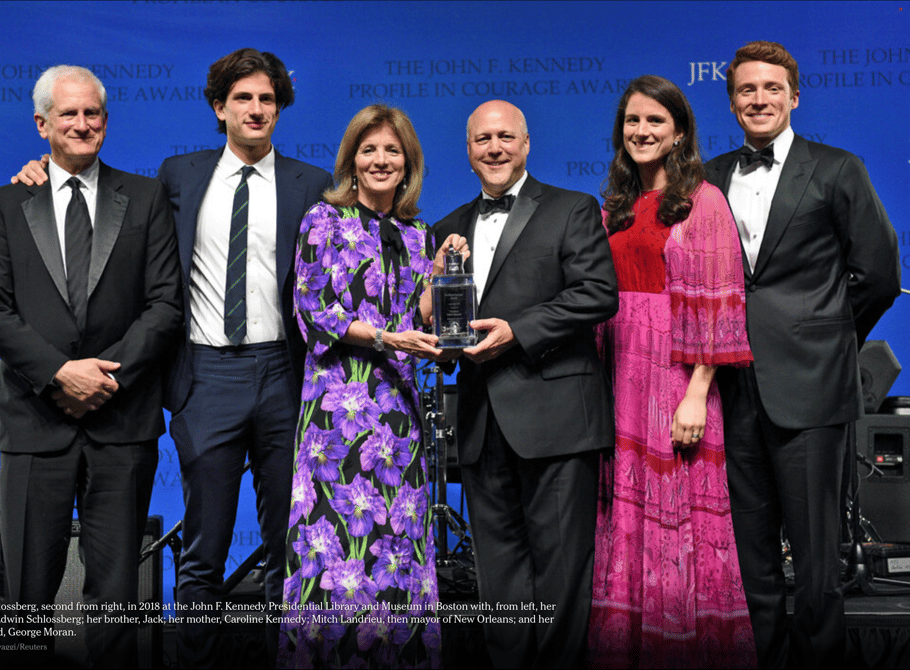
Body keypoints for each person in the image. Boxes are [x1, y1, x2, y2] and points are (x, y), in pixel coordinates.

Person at [12, 48, 333, 668]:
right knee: (203, 551)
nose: (256, 109)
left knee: (287, 548)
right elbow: (102, 207)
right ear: (219, 107)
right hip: (204, 376)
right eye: (243, 98)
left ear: (280, 108)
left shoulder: (313, 184)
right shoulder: (177, 176)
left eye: (267, 98)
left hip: (286, 378)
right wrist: (40, 175)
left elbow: (364, 243)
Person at [0, 65, 182, 667]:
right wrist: (62, 374)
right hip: (35, 425)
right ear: (42, 125)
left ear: (107, 122)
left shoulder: (145, 198)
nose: (83, 124)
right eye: (69, 114)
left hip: (123, 425)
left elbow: (165, 304)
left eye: (93, 113)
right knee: (26, 600)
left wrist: (102, 378)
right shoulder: (4, 204)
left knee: (116, 600)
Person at [705, 41, 900, 668]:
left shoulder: (839, 168)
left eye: (771, 89)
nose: (758, 100)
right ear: (732, 101)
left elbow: (877, 270)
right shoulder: (709, 176)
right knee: (749, 553)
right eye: (746, 91)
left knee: (817, 557)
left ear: (794, 96)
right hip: (731, 387)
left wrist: (826, 332)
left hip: (812, 384)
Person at [434, 100, 618, 669]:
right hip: (480, 422)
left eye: (506, 137)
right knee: (499, 580)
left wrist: (518, 331)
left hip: (558, 419)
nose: (495, 147)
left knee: (562, 576)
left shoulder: (572, 208)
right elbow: (446, 328)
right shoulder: (445, 230)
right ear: (467, 151)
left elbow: (596, 294)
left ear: (527, 144)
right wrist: (436, 339)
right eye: (483, 139)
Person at [586, 75, 755, 668]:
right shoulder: (614, 206)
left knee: (676, 514)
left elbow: (720, 303)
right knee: (622, 514)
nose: (642, 131)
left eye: (655, 121)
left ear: (679, 131)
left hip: (676, 379)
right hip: (615, 374)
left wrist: (696, 391)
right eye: (632, 121)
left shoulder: (704, 201)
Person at [278, 104, 455, 669]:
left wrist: (446, 272)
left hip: (398, 415)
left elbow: (422, 318)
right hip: (337, 411)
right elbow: (314, 309)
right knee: (332, 542)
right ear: (352, 160)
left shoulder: (420, 233)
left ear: (408, 165)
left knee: (397, 542)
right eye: (370, 149)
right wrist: (386, 336)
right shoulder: (323, 221)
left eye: (392, 151)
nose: (381, 160)